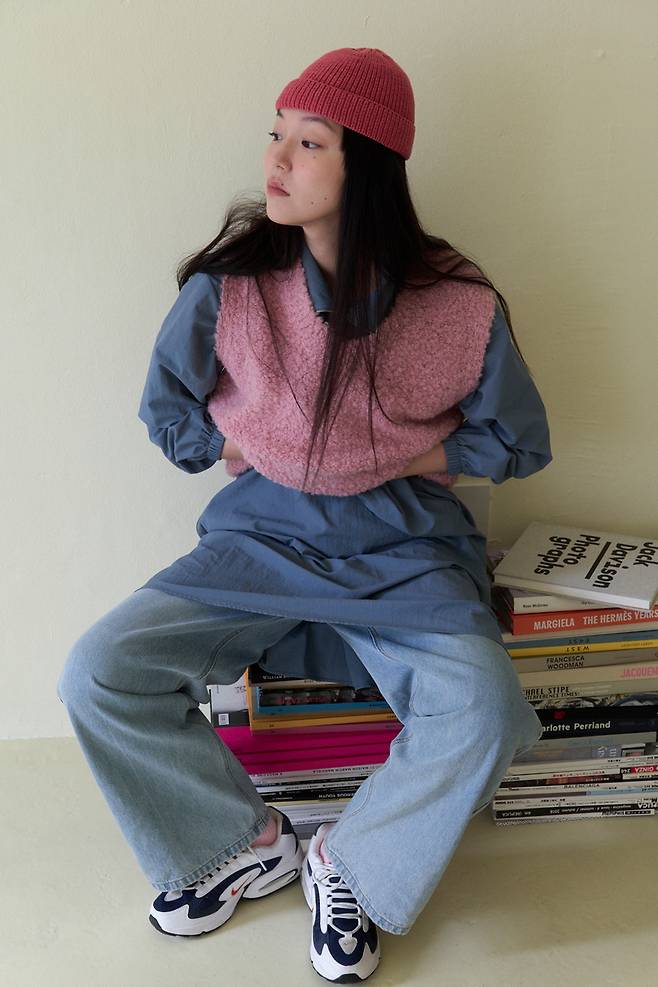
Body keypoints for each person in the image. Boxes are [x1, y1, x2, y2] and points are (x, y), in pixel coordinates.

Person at [57, 47, 552, 983]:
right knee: (99, 671)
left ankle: (350, 863)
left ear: (368, 165)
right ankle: (241, 844)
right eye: (275, 134)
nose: (277, 159)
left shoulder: (458, 303)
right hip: (262, 535)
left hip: (407, 544)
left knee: (485, 706)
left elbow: (518, 441)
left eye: (309, 142)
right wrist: (247, 448)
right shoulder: (232, 285)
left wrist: (400, 456)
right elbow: (169, 412)